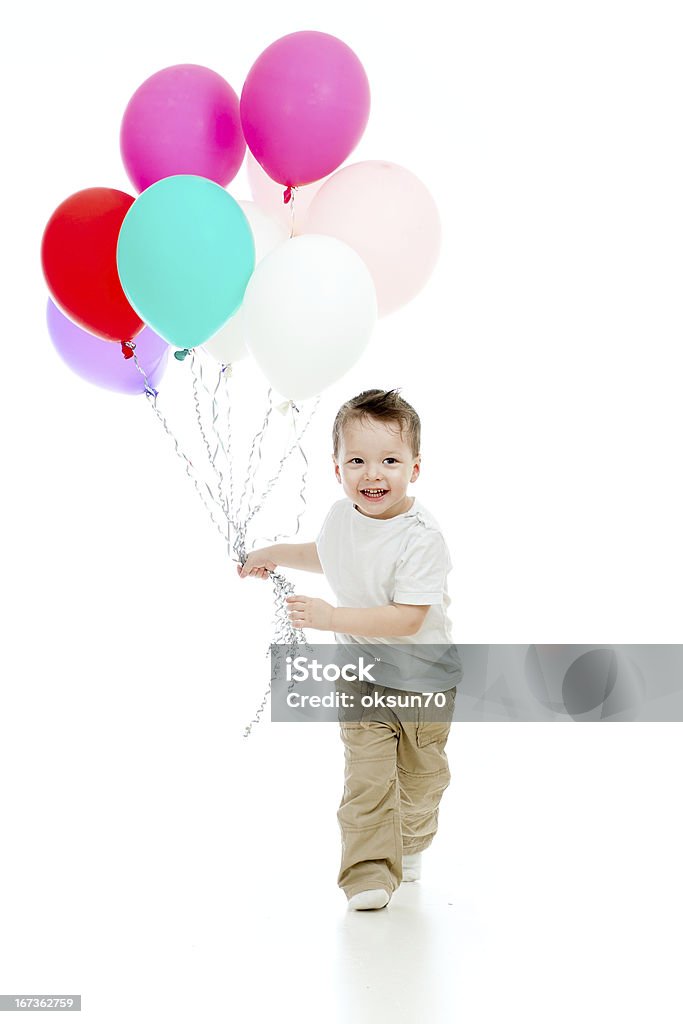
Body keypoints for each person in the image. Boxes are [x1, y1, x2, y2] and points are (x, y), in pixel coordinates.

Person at [237, 388, 462, 911]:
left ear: (415, 468)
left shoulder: (421, 538)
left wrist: (331, 617)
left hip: (424, 682)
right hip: (362, 676)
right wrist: (272, 553)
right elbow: (327, 554)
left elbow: (408, 618)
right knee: (366, 778)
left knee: (422, 781)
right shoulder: (341, 516)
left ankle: (409, 845)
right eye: (356, 460)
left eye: (389, 461)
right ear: (336, 469)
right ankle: (366, 871)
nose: (373, 474)